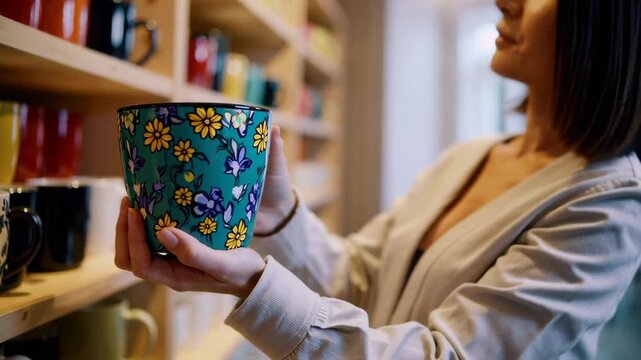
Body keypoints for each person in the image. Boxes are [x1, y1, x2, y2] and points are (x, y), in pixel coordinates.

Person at [115, 0, 641, 358]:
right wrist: (277, 214)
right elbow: (360, 279)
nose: (505, 0)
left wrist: (256, 286)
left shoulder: (610, 205)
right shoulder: (469, 157)